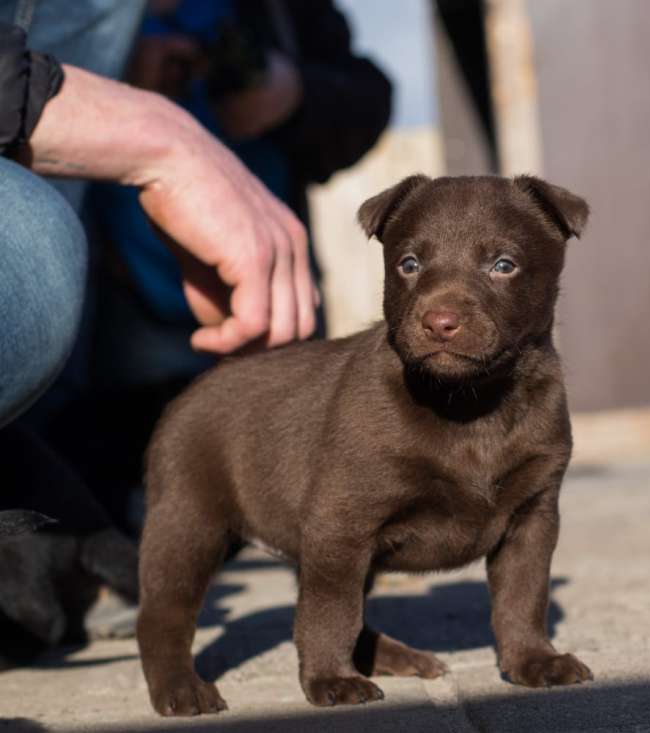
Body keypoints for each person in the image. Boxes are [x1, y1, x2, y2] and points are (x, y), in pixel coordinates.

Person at [0, 0, 389, 658]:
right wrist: (108, 106)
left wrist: (288, 94)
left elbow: (365, 94)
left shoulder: (269, 13)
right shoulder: (87, 24)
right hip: (123, 313)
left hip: (258, 311)